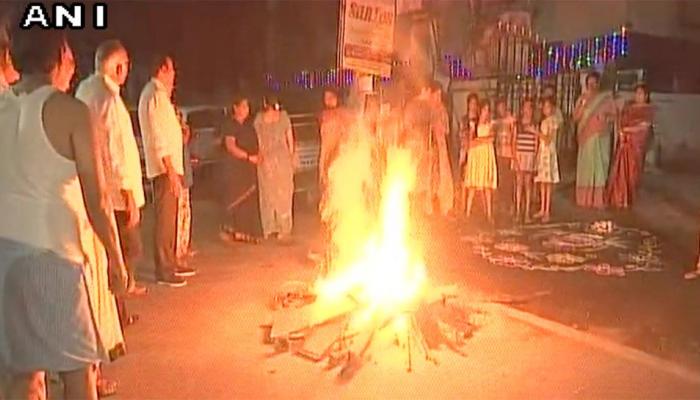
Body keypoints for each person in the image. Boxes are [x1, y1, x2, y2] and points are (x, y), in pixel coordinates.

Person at [0, 28, 127, 400]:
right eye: (69, 57)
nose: (72, 66)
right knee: (78, 372)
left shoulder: (3, 106)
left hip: (5, 256)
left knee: (24, 375)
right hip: (52, 258)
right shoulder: (70, 111)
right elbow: (99, 200)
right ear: (56, 59)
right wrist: (116, 263)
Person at [75, 40, 146, 301]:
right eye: (125, 64)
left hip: (93, 186)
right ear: (116, 67)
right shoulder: (109, 99)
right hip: (115, 193)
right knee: (128, 249)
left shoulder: (85, 90)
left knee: (107, 251)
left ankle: (114, 301)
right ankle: (118, 305)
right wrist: (128, 195)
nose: (127, 70)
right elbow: (118, 151)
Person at [138, 54, 195, 287]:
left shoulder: (160, 96)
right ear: (162, 70)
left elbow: (168, 132)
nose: (174, 74)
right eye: (171, 69)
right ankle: (165, 268)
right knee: (165, 219)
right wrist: (170, 169)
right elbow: (159, 137)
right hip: (164, 169)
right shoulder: (155, 96)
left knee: (171, 218)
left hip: (170, 167)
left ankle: (172, 262)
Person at [219, 95, 263, 243]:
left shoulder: (249, 126)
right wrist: (247, 157)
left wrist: (258, 157)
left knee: (248, 200)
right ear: (235, 108)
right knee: (235, 198)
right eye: (243, 106)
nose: (246, 110)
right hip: (235, 168)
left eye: (247, 107)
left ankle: (245, 233)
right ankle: (230, 230)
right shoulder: (230, 125)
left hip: (249, 168)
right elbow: (230, 146)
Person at [573, 71, 617, 208]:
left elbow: (614, 117)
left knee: (599, 168)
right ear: (586, 84)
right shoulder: (582, 99)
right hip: (586, 139)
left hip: (600, 138)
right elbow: (575, 118)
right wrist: (583, 105)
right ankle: (584, 200)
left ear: (598, 84)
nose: (592, 86)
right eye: (589, 83)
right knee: (586, 168)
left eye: (594, 83)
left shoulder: (605, 99)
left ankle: (598, 200)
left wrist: (605, 119)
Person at [254, 95, 296, 240]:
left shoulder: (260, 118)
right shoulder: (281, 117)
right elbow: (290, 138)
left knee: (270, 194)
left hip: (269, 160)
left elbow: (259, 141)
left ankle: (271, 228)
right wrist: (291, 156)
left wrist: (261, 155)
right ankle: (282, 229)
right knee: (281, 193)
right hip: (278, 159)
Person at [607, 83, 654, 209]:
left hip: (636, 145)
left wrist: (627, 131)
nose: (638, 96)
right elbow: (621, 120)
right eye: (636, 93)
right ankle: (618, 198)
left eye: (640, 93)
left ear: (646, 95)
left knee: (633, 172)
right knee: (620, 170)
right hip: (624, 143)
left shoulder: (648, 109)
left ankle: (629, 198)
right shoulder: (629, 107)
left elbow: (644, 127)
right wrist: (621, 130)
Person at [403, 80, 434, 214]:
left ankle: (420, 213)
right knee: (413, 181)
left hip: (423, 150)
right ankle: (411, 212)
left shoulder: (427, 107)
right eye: (429, 92)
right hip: (414, 150)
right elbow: (407, 127)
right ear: (424, 90)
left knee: (423, 181)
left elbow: (430, 130)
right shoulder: (412, 106)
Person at [463, 100, 497, 223]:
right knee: (473, 184)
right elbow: (471, 142)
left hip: (486, 155)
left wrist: (480, 141)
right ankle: (467, 212)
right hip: (476, 155)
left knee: (487, 186)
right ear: (480, 110)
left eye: (488, 110)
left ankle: (489, 214)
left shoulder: (490, 124)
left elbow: (492, 138)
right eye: (484, 110)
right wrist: (483, 141)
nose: (486, 113)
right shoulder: (474, 124)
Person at [428, 81, 454, 216]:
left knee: (443, 174)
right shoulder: (430, 109)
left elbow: (446, 131)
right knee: (431, 175)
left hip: (441, 145)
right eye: (435, 94)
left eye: (438, 94)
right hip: (431, 146)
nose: (436, 97)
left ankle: (445, 205)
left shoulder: (442, 110)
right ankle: (430, 205)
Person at [534, 98, 561, 222]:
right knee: (542, 182)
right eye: (544, 107)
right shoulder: (544, 121)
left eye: (548, 107)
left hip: (549, 152)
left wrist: (536, 133)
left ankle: (547, 210)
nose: (546, 109)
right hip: (543, 152)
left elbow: (548, 139)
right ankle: (542, 208)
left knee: (548, 183)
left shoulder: (553, 121)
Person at [513, 99, 538, 223]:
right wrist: (515, 159)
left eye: (530, 108)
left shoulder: (534, 125)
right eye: (525, 107)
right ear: (522, 109)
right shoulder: (518, 124)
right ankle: (518, 211)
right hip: (519, 155)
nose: (527, 110)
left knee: (528, 185)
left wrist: (536, 157)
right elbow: (513, 142)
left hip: (529, 156)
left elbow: (536, 143)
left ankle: (527, 212)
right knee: (519, 185)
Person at [175, 105, 194, 265]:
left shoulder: (181, 135)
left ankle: (184, 246)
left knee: (186, 213)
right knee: (178, 214)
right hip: (178, 178)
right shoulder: (173, 137)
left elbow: (185, 140)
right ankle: (177, 250)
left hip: (185, 178)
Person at [492, 98, 516, 217]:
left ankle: (510, 204)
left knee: (508, 180)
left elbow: (514, 136)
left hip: (508, 153)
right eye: (498, 107)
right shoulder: (497, 122)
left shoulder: (510, 120)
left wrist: (514, 154)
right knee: (500, 180)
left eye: (502, 107)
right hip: (498, 153)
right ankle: (501, 204)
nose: (500, 109)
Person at [458, 93, 479, 212]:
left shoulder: (480, 119)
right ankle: (462, 206)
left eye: (475, 104)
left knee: (475, 181)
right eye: (471, 103)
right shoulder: (464, 119)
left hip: (477, 152)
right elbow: (461, 135)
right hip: (466, 151)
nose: (473, 106)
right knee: (464, 180)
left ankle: (473, 208)